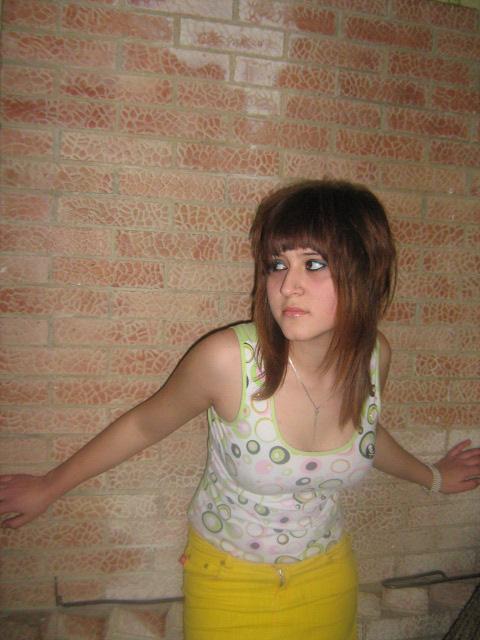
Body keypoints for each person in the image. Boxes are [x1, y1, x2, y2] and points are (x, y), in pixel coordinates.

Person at [1, 180, 479, 640]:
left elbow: (367, 432)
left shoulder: (374, 356)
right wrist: (49, 486)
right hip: (228, 577)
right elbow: (145, 424)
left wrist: (433, 477)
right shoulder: (229, 361)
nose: (288, 286)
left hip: (328, 571)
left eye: (314, 264)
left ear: (366, 271)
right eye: (277, 264)